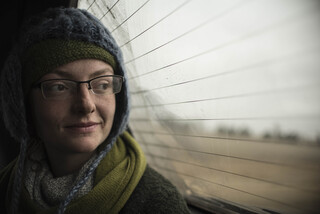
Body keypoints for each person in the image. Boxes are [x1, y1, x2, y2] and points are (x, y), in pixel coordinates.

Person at [0, 7, 191, 214]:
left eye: (102, 85)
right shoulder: (5, 188)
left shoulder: (158, 204)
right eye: (59, 87)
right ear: (22, 104)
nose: (86, 105)